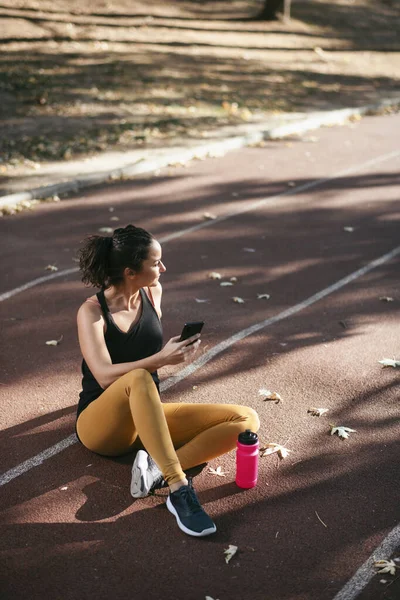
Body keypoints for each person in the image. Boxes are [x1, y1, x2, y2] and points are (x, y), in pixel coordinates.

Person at [75, 224, 260, 537]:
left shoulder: (152, 291)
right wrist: (160, 359)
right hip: (101, 427)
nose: (163, 268)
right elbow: (104, 376)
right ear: (131, 271)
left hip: (145, 417)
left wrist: (177, 350)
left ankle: (156, 472)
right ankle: (178, 489)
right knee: (139, 377)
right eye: (155, 263)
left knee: (245, 420)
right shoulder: (91, 312)